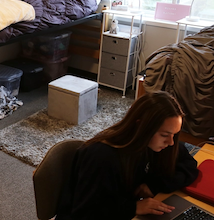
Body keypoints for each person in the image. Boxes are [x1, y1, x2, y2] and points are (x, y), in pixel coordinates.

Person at [55, 91, 199, 220]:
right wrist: (133, 207)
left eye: (175, 134)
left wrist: (154, 186)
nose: (171, 142)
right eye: (165, 135)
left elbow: (189, 165)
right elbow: (87, 213)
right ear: (140, 126)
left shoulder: (157, 145)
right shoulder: (101, 157)